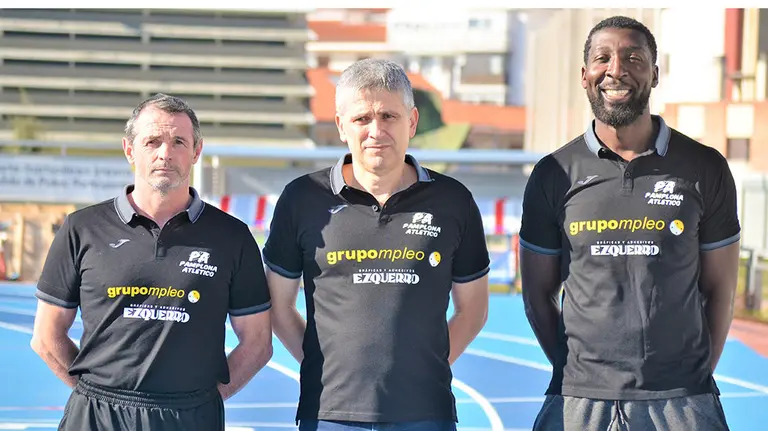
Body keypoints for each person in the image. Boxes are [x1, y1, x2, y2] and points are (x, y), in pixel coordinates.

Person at [519, 16, 740, 431]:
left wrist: (689, 377)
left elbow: (721, 288)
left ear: (654, 75)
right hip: (578, 400)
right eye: (602, 58)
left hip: (683, 401)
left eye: (633, 58)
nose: (616, 70)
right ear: (585, 76)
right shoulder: (553, 173)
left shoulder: (704, 167)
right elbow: (536, 294)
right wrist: (579, 373)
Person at [263, 58, 490, 431]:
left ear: (412, 122)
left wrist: (426, 364)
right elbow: (279, 304)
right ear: (340, 126)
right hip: (328, 413)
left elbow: (473, 309)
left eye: (389, 116)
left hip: (426, 412)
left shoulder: (453, 201)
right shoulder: (302, 198)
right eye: (362, 119)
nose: (376, 131)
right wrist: (322, 362)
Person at [30, 93, 273, 431]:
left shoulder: (232, 236)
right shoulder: (82, 228)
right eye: (152, 141)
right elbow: (46, 336)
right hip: (97, 415)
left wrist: (204, 400)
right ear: (129, 149)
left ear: (196, 151)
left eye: (178, 142)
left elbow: (258, 343)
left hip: (191, 415)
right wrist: (95, 395)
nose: (165, 153)